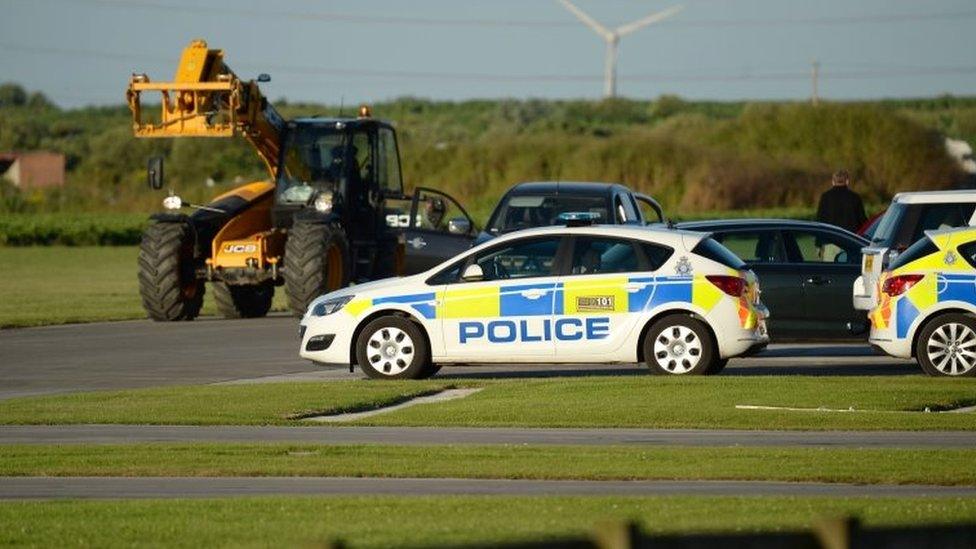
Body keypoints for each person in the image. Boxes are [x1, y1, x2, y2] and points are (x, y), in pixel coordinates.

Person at [816, 170, 866, 260]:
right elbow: (863, 222)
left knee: (830, 272)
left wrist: (818, 245)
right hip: (851, 243)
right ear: (847, 181)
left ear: (833, 181)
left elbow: (820, 221)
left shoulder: (825, 197)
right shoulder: (855, 198)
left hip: (830, 243)